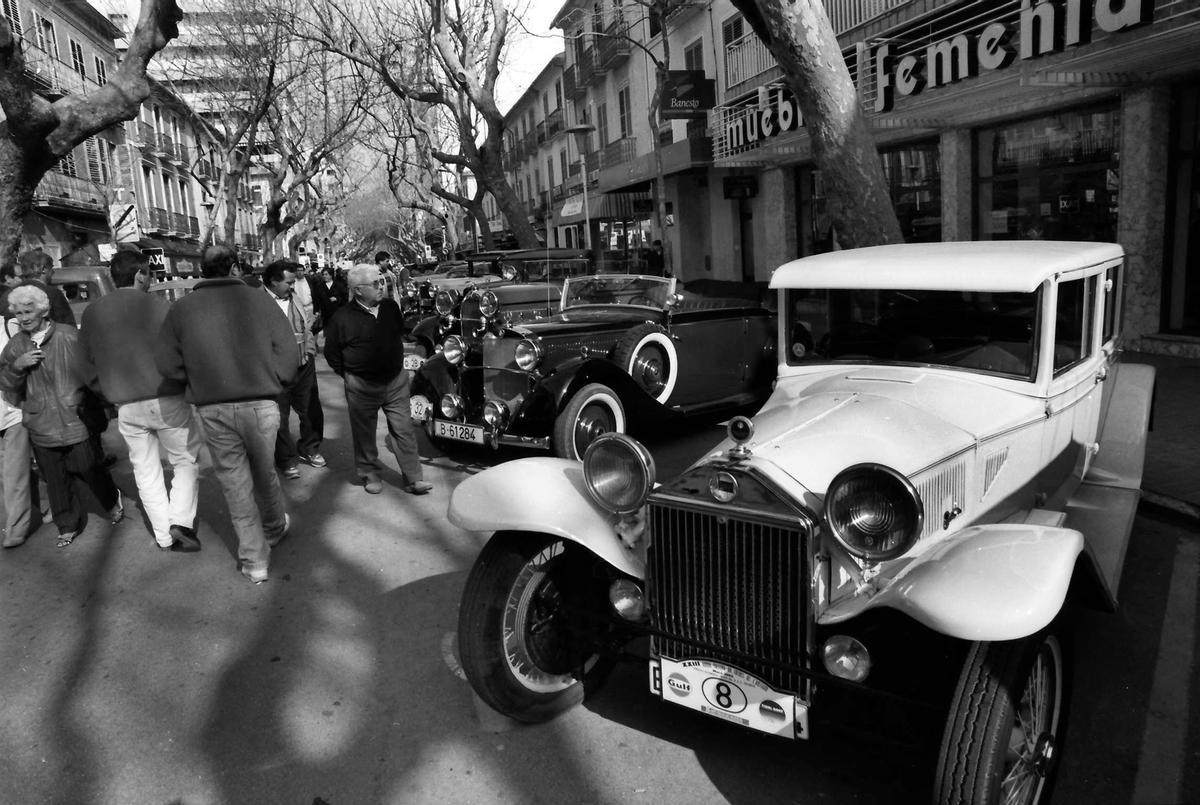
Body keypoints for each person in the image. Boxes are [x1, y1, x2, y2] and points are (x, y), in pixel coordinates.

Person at [156, 244, 296, 583]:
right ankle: (275, 527)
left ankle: (254, 561)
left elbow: (167, 364)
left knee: (235, 484)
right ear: (234, 267)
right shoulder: (260, 299)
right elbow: (288, 350)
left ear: (203, 270)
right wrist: (277, 379)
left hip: (212, 407)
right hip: (261, 402)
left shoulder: (182, 308)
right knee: (264, 472)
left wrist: (196, 380)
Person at [77, 250, 202, 552]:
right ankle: (180, 520)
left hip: (126, 404)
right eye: (149, 273)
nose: (151, 279)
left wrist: (106, 392)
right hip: (167, 396)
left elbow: (84, 363)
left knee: (145, 469)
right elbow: (183, 351)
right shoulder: (162, 307)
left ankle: (163, 535)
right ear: (140, 274)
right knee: (185, 460)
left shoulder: (92, 313)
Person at [0, 285, 122, 547]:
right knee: (55, 480)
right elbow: (7, 386)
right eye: (18, 313)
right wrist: (17, 367)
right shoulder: (15, 346)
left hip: (74, 417)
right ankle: (67, 524)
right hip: (40, 422)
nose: (23, 317)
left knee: (90, 468)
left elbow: (93, 373)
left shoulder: (68, 336)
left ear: (43, 310)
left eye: (28, 310)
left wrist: (105, 404)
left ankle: (111, 500)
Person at [324, 264, 431, 496]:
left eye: (381, 281)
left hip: (395, 382)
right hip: (361, 386)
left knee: (404, 430)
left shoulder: (391, 308)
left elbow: (398, 334)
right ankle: (370, 475)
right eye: (375, 283)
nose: (381, 286)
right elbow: (331, 353)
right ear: (358, 290)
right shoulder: (342, 317)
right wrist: (350, 376)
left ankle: (414, 478)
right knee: (364, 434)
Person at [261, 259, 324, 478]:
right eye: (288, 282)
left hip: (303, 364)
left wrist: (309, 350)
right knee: (281, 416)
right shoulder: (259, 302)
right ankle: (285, 459)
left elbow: (305, 327)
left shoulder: (294, 297)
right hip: (276, 369)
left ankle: (309, 448)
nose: (291, 286)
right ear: (272, 281)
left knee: (309, 410)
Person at [0, 307, 40, 548]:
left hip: (12, 411)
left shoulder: (9, 326)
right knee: (10, 473)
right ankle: (38, 509)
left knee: (14, 473)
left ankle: (15, 529)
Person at [7, 250, 75, 325]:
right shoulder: (53, 294)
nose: (53, 272)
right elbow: (68, 326)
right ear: (43, 269)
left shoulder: (8, 295)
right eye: (51, 267)